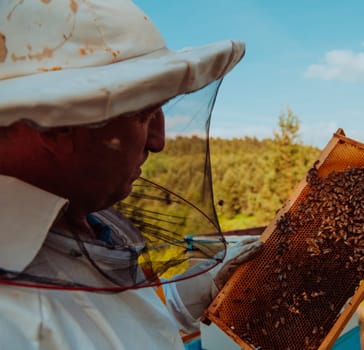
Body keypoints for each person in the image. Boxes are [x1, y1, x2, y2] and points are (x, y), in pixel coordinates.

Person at [0, 0, 262, 348]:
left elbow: (113, 325)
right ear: (56, 126)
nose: (158, 141)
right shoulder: (13, 325)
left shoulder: (77, 217)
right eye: (144, 115)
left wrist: (190, 295)